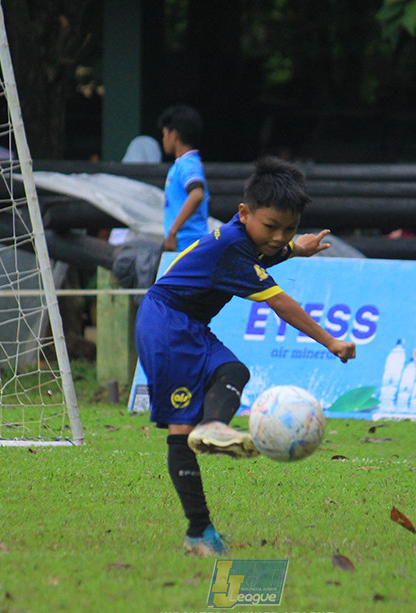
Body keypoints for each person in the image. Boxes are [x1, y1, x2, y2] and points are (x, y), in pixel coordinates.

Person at [135, 156, 356, 556]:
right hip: (166, 323)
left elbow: (266, 253)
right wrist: (330, 341)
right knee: (181, 430)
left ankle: (214, 426)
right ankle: (198, 532)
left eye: (287, 227)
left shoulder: (243, 239)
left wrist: (294, 248)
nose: (278, 235)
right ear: (243, 213)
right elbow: (281, 303)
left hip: (186, 323)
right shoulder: (234, 247)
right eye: (271, 226)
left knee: (233, 370)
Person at [158, 105, 210, 252]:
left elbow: (197, 193)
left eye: (164, 134)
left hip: (189, 245)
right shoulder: (183, 164)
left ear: (173, 135)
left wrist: (173, 231)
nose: (163, 140)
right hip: (184, 245)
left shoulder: (187, 164)